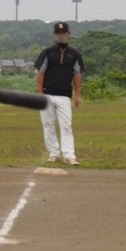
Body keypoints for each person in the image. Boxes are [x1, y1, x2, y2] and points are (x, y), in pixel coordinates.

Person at [34, 21, 86, 166]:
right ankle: (54, 153)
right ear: (55, 35)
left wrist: (77, 94)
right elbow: (41, 72)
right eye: (58, 33)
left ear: (68, 34)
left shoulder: (75, 54)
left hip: (64, 95)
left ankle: (69, 155)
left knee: (66, 125)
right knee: (48, 124)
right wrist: (40, 92)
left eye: (64, 32)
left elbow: (77, 75)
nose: (61, 35)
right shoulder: (48, 52)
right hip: (48, 93)